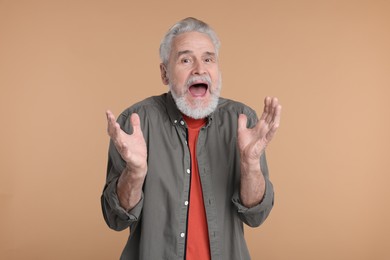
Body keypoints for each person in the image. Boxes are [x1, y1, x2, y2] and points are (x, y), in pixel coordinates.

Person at [101, 17, 282, 260]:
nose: (199, 69)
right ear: (165, 73)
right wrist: (134, 172)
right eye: (186, 59)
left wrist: (250, 165)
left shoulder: (241, 121)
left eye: (208, 59)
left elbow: (255, 216)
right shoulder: (136, 123)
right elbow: (115, 219)